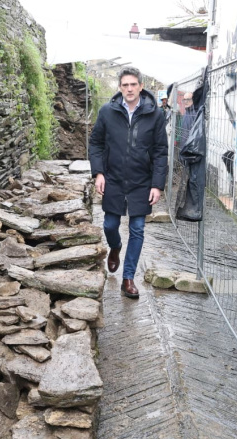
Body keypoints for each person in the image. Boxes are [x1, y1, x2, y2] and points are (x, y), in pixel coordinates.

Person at [89, 67, 168, 299]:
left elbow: (160, 152)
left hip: (141, 181)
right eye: (125, 85)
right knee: (110, 225)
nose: (129, 89)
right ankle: (115, 247)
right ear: (120, 87)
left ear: (141, 86)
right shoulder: (107, 112)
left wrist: (157, 184)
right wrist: (99, 173)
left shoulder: (155, 114)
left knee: (138, 229)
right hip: (112, 178)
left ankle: (128, 278)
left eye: (133, 84)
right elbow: (96, 144)